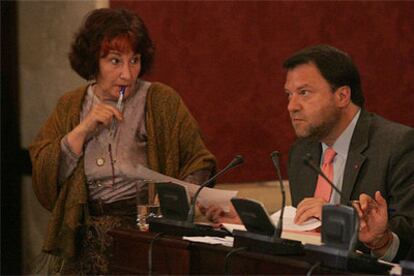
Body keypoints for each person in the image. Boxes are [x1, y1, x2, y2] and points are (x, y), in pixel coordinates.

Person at [29, 8, 216, 274]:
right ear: (94, 60)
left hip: (145, 232)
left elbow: (199, 160)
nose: (127, 74)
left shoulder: (161, 100)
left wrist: (181, 198)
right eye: (115, 61)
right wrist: (80, 132)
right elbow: (45, 174)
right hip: (84, 234)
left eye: (135, 60)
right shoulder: (70, 105)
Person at [205, 44, 414, 262]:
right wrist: (254, 224)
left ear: (342, 96)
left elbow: (409, 233)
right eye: (289, 95)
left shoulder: (398, 145)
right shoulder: (302, 152)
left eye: (304, 93)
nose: (291, 106)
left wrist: (357, 229)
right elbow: (304, 227)